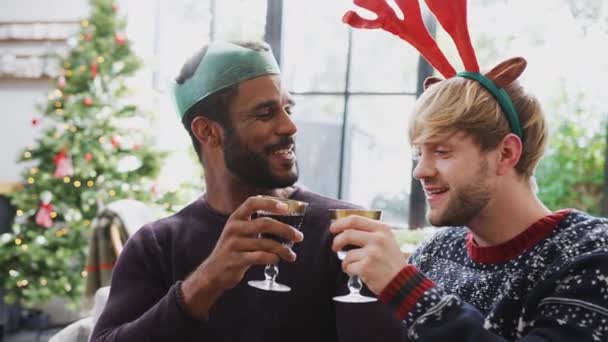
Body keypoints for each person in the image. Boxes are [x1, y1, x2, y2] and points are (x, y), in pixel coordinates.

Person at [90, 40, 405, 341]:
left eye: (287, 108)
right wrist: (206, 281)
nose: (289, 127)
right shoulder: (156, 245)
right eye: (266, 113)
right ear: (208, 131)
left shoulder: (344, 231)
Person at [330, 0, 608, 341]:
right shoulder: (436, 251)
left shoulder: (591, 254)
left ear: (505, 153)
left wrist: (403, 285)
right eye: (418, 152)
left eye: (442, 151)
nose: (420, 171)